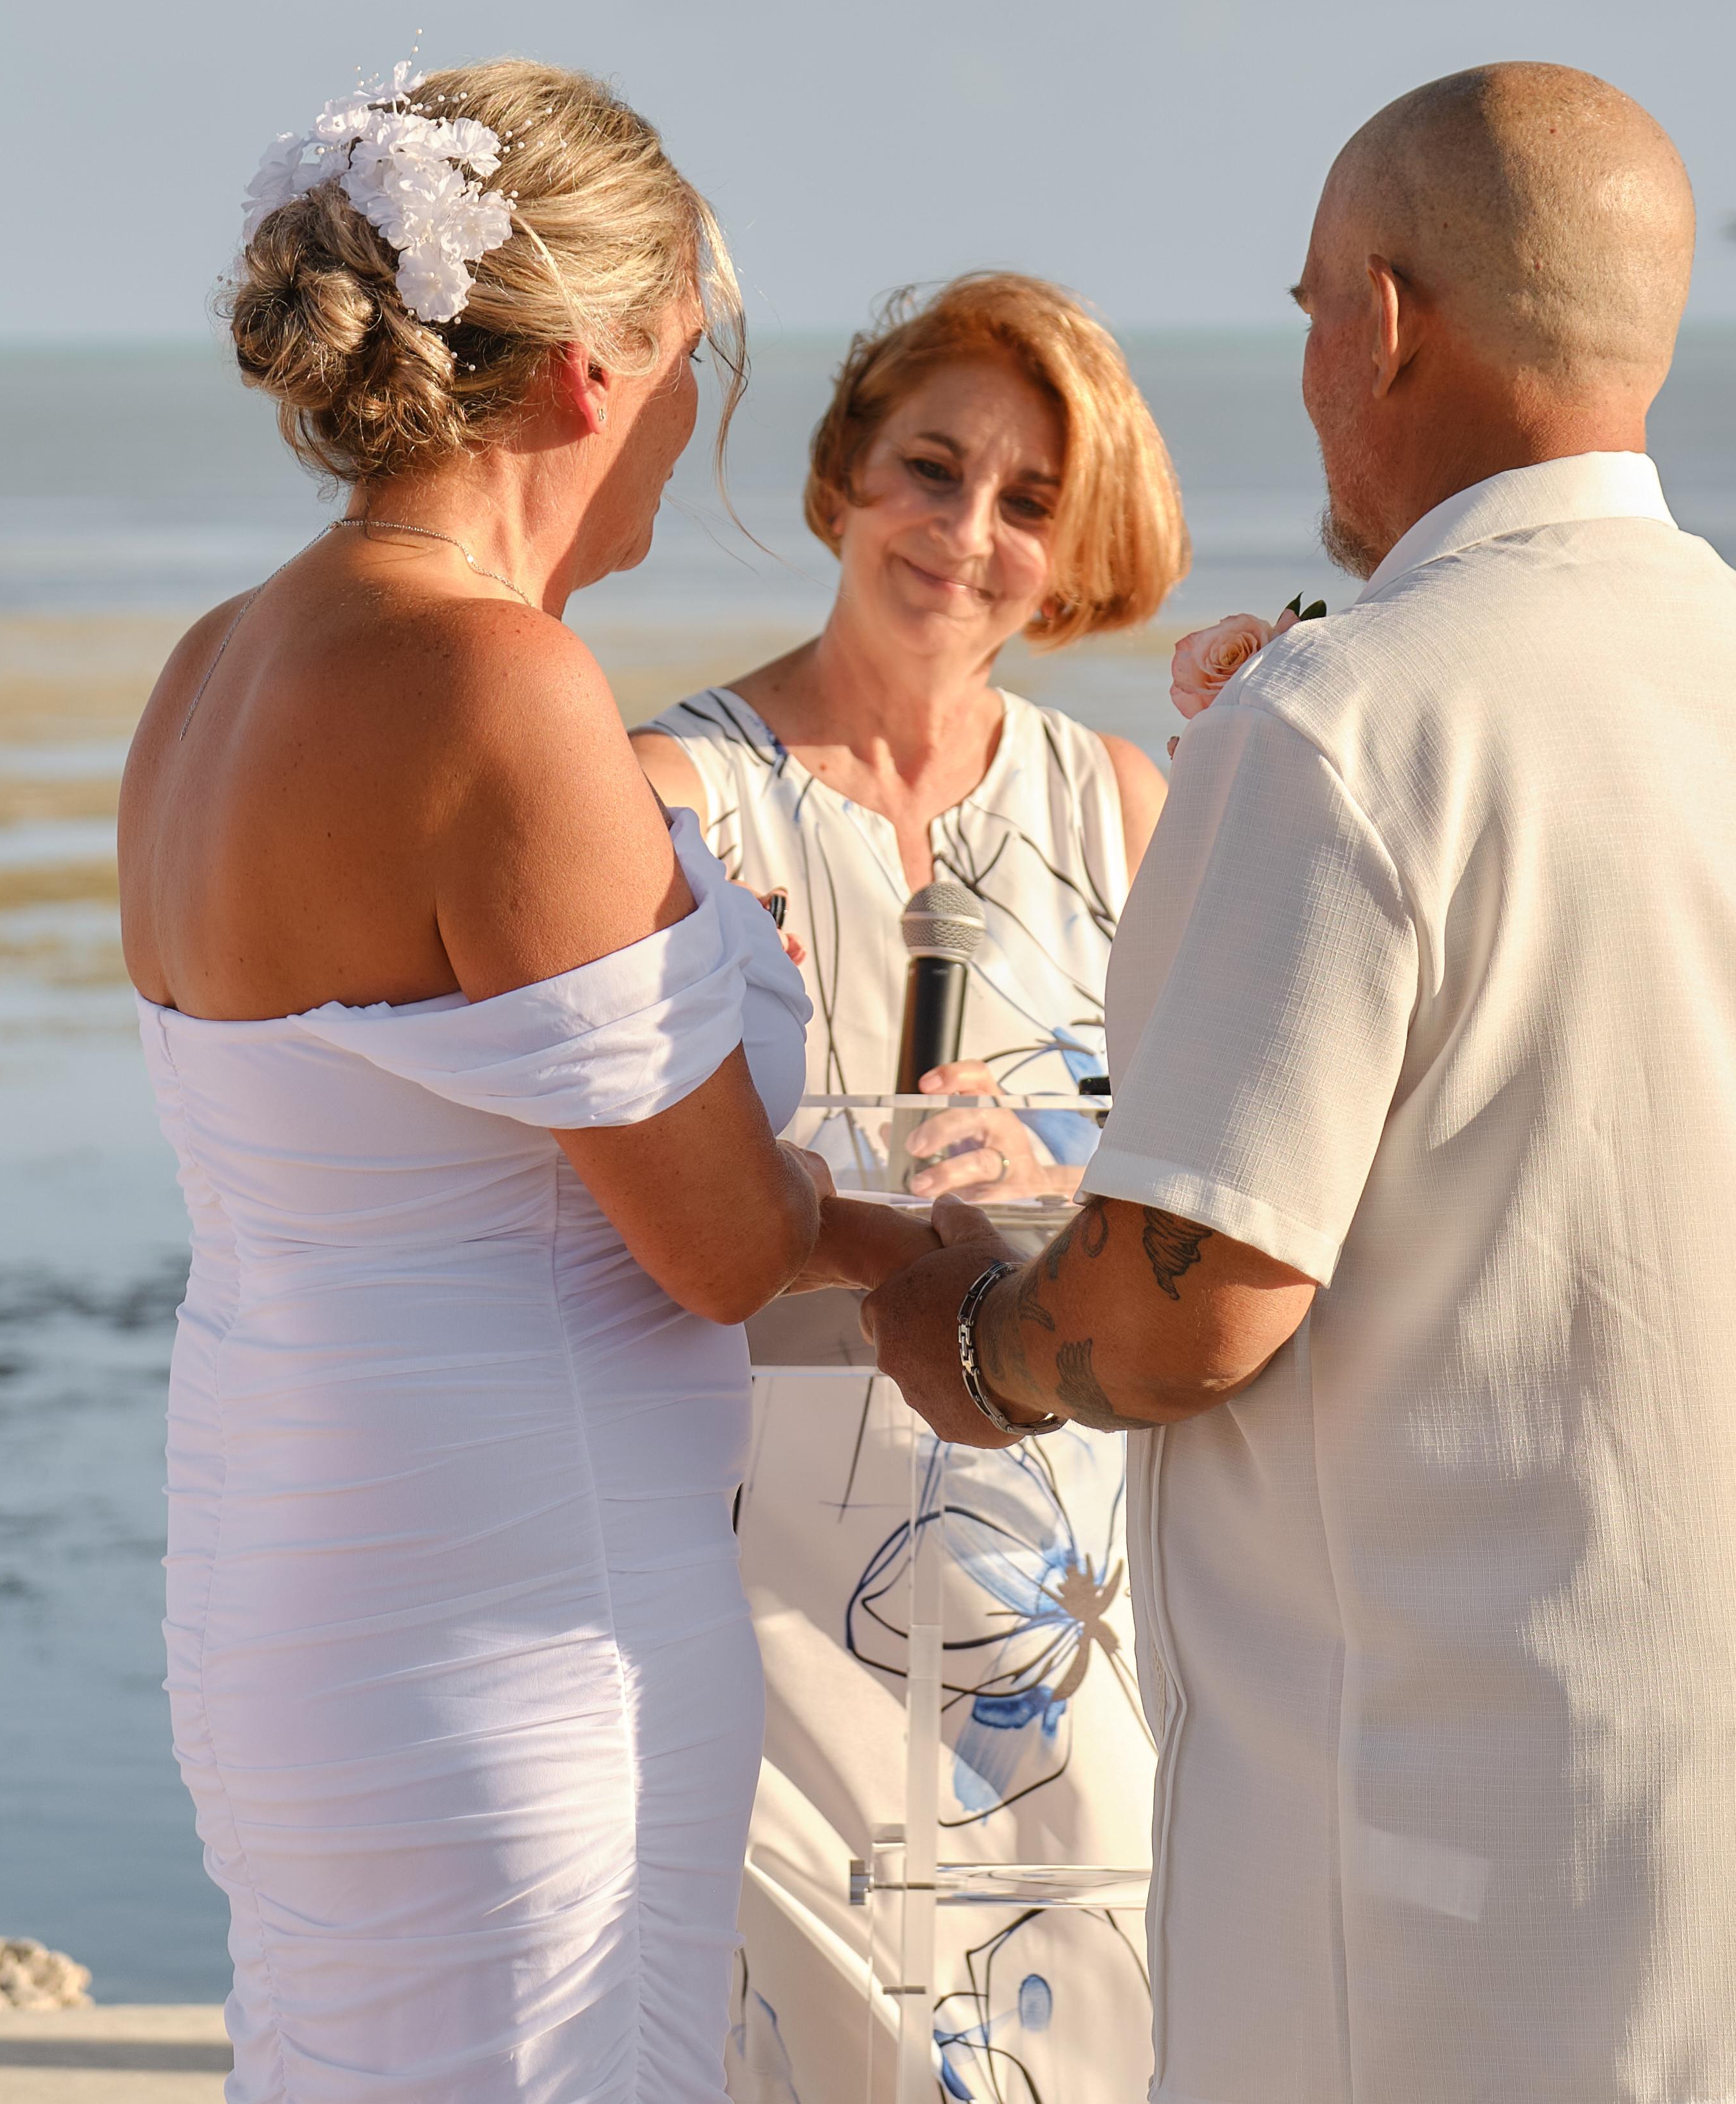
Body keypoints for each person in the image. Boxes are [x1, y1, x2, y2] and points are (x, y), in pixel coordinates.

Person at [865, 65, 1736, 2104]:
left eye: (1311, 303)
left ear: (1385, 319)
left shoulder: (1351, 715)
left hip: (1501, 1868)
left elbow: (1189, 1309)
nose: (1306, 357)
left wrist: (970, 1323)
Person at [120, 60, 938, 2103]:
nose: (690, 412)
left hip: (281, 1568)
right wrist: (894, 1234)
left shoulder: (210, 670)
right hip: (514, 1597)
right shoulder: (501, 683)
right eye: (691, 357)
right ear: (591, 370)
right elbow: (717, 1245)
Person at [624, 276, 1184, 2104]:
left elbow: (1208, 1195)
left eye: (1029, 501)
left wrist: (1059, 1181)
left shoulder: (1122, 808)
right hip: (765, 1571)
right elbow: (606, 1204)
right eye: (931, 469)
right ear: (841, 477)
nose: (966, 533)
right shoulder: (668, 796)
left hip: (1057, 1571)